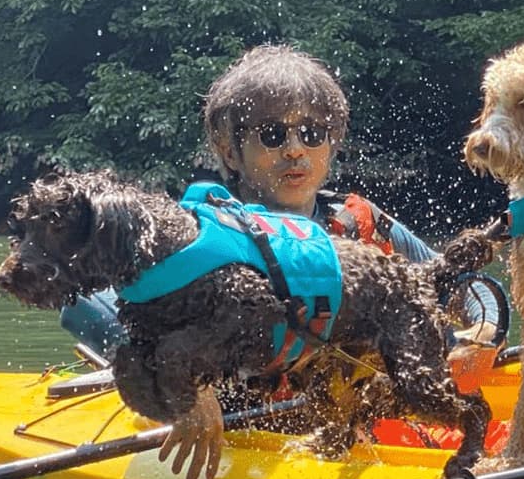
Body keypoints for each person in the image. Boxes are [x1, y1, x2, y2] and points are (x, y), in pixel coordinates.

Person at [61, 43, 452, 353]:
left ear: (331, 144)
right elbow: (83, 298)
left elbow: (456, 279)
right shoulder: (201, 231)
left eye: (313, 133)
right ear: (229, 150)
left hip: (346, 418)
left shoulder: (357, 221)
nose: (296, 149)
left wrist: (483, 333)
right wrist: (168, 376)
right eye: (272, 134)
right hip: (240, 426)